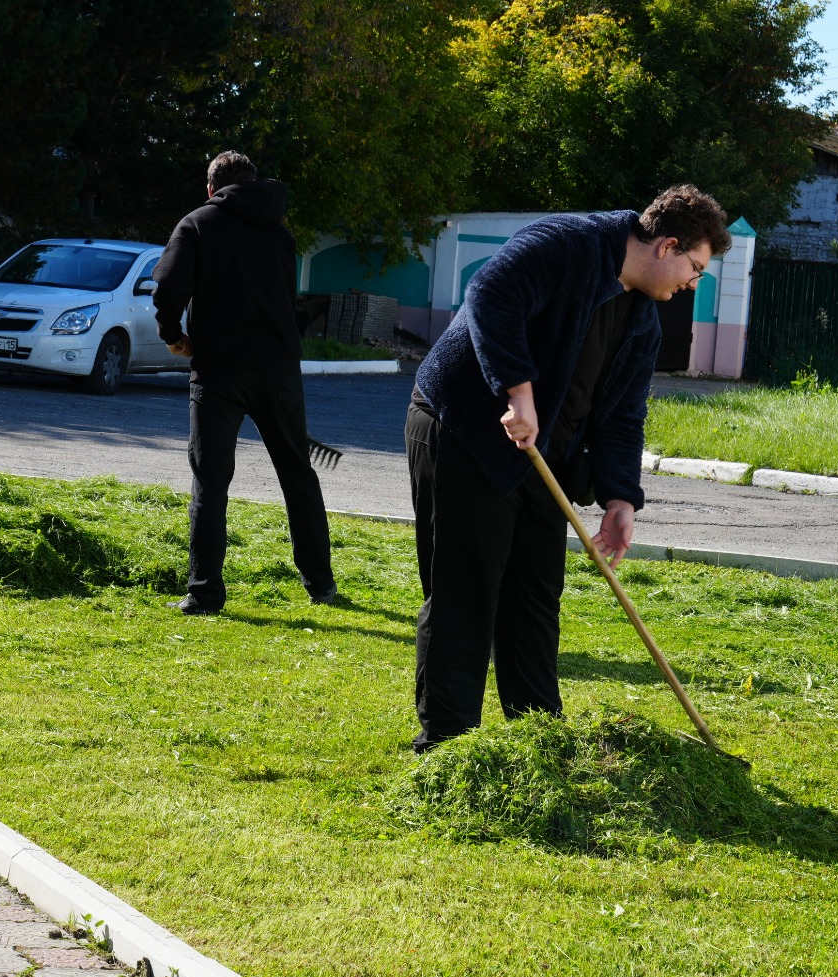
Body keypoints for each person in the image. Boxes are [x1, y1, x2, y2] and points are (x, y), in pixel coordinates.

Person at [406, 185, 731, 752]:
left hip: (540, 455)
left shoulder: (643, 323)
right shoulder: (570, 243)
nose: (691, 284)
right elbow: (491, 293)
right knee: (466, 589)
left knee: (534, 594)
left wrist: (620, 498)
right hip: (465, 428)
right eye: (695, 268)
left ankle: (540, 737)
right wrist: (518, 391)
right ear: (667, 245)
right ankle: (447, 743)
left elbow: (623, 414)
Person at [152, 151, 336, 615]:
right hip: (278, 367)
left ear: (211, 188)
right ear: (252, 185)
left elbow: (167, 288)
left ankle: (205, 592)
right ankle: (321, 584)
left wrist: (173, 335)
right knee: (298, 473)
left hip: (218, 369)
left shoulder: (196, 224)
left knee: (210, 481)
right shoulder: (281, 233)